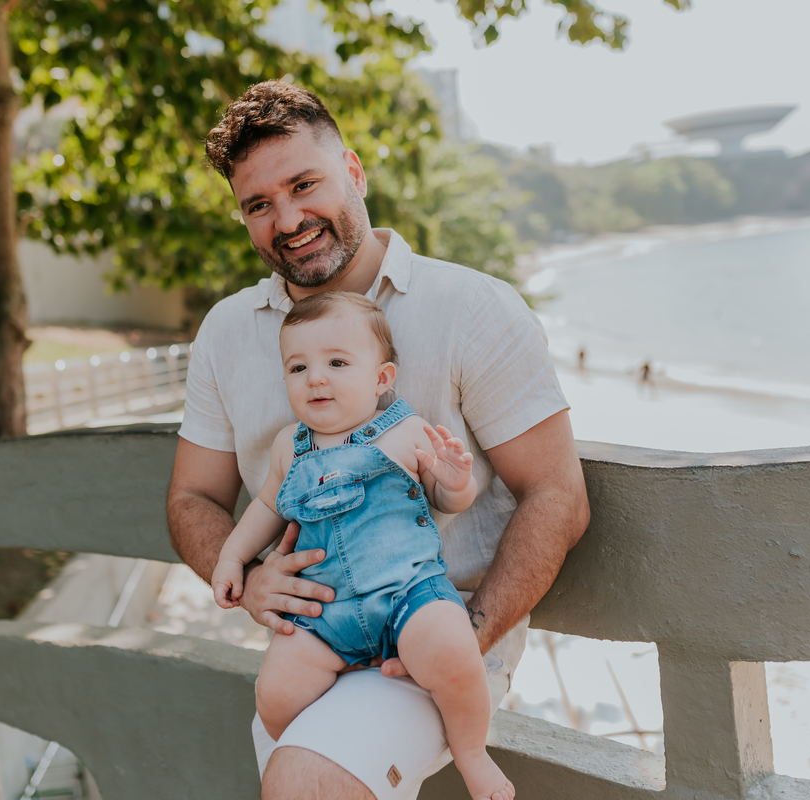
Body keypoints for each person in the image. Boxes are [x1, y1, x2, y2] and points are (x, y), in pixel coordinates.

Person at [166, 79, 590, 800]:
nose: (289, 218)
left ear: (354, 173)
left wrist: (464, 634)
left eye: (305, 184)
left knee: (302, 783)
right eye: (259, 204)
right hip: (311, 647)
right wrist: (250, 580)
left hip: (433, 636)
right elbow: (192, 498)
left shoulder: (471, 307)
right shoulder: (227, 332)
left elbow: (558, 495)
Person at [212, 291, 513, 800]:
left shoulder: (404, 431)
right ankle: (310, 744)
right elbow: (266, 508)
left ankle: (472, 754)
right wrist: (231, 557)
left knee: (453, 652)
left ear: (381, 379)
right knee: (275, 692)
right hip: (325, 614)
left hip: (408, 596)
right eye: (298, 367)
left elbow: (446, 498)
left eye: (336, 362)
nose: (316, 378)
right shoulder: (291, 445)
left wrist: (455, 479)